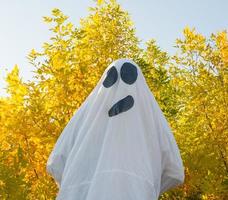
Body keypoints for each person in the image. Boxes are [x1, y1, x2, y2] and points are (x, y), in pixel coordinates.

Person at [46, 58, 185, 200]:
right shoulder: (152, 120)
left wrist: (79, 185)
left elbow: (56, 162)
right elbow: (174, 172)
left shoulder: (84, 119)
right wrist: (147, 186)